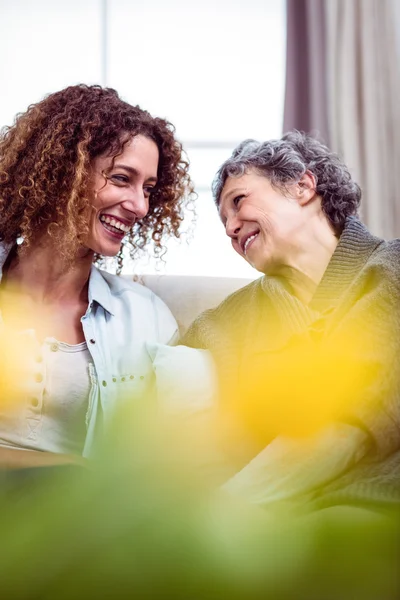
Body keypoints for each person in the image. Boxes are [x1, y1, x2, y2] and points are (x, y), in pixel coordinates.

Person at [183, 131, 400, 511]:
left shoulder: (391, 270)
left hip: (368, 509)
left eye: (239, 201)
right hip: (259, 536)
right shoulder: (225, 321)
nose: (232, 229)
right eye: (225, 223)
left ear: (302, 186)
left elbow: (349, 421)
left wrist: (213, 519)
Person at [0, 84, 193, 468]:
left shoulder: (145, 318)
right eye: (122, 179)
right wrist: (64, 468)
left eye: (149, 189)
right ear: (64, 172)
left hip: (73, 524)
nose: (140, 205)